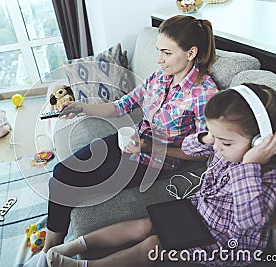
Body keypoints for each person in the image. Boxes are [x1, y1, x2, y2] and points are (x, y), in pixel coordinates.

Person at [24, 15, 217, 267]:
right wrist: (81, 107)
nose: (159, 59)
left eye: (166, 53)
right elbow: (120, 107)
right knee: (60, 171)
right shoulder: (160, 77)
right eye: (159, 51)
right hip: (131, 140)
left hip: (156, 160)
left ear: (191, 52)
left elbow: (202, 153)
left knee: (68, 186)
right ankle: (51, 251)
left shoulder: (205, 95)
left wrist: (149, 146)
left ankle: (49, 254)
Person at [45, 83, 276, 267]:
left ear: (261, 142)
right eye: (216, 139)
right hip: (198, 214)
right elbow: (189, 147)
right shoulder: (223, 147)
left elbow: (250, 220)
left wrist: (249, 165)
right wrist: (209, 136)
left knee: (153, 244)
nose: (217, 148)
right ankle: (72, 246)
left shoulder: (271, 177)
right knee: (144, 225)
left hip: (225, 243)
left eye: (225, 142)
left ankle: (88, 265)